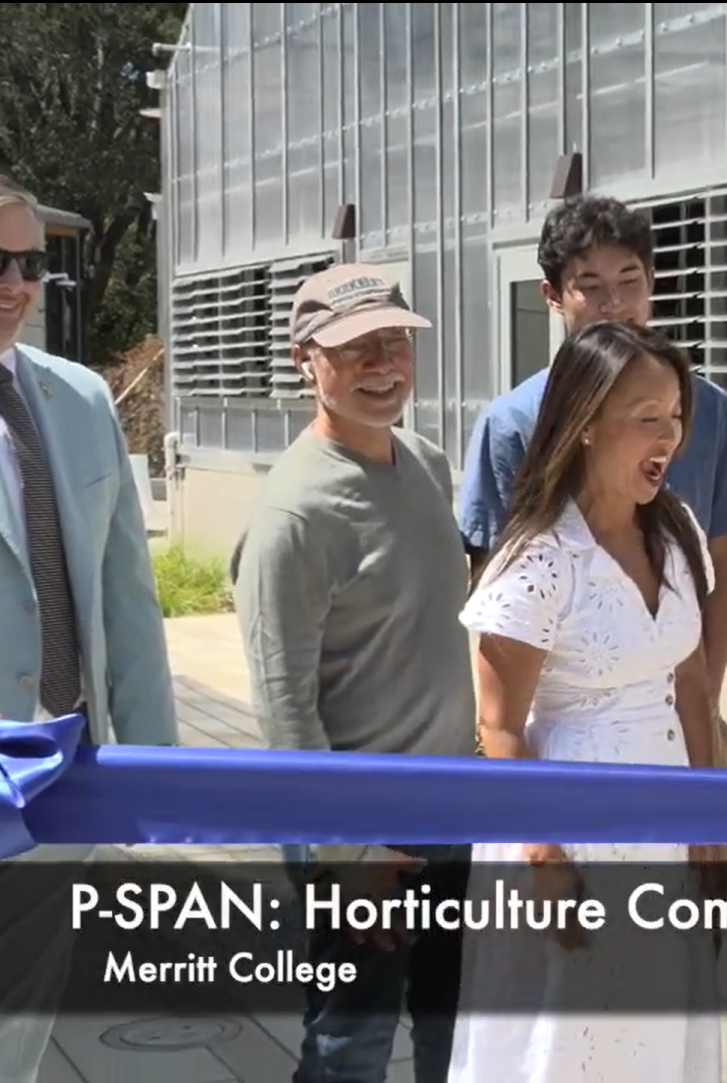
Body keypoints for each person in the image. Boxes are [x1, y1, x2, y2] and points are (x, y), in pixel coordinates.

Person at [450, 320, 727, 1083]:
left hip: (663, 823)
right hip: (566, 831)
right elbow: (498, 724)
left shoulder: (677, 532)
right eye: (647, 417)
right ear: (584, 424)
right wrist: (544, 859)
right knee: (565, 1041)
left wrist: (715, 815)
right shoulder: (537, 559)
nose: (668, 436)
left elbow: (692, 682)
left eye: (676, 415)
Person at [0, 167, 176, 1083]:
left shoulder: (80, 398)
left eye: (30, 263)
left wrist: (157, 771)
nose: (14, 284)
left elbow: (126, 596)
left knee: (18, 1035)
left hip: (63, 772)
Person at [229, 263, 474, 1083]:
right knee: (350, 1050)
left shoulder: (428, 462)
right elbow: (283, 706)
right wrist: (346, 850)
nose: (382, 364)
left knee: (456, 1035)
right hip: (359, 827)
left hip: (451, 807)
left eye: (394, 340)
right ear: (306, 360)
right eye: (354, 347)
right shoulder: (295, 512)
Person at [458, 195, 727, 728]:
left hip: (676, 713)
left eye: (629, 280)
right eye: (589, 286)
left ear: (652, 281)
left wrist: (706, 700)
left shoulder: (708, 409)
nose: (613, 303)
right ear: (553, 295)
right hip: (568, 726)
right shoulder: (512, 424)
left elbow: (721, 564)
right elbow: (497, 593)